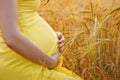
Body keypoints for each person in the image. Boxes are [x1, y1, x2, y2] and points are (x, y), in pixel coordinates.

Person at [0, 0, 83, 80]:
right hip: (20, 64)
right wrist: (51, 62)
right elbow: (11, 38)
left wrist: (52, 34)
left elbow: (26, 13)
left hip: (32, 62)